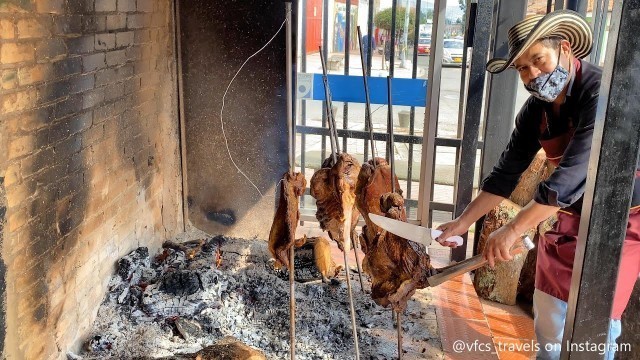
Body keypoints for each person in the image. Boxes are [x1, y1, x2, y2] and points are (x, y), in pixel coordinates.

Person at [434, 10, 640, 360]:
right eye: (521, 68)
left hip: (619, 224)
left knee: (595, 322)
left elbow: (570, 176)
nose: (532, 75)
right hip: (569, 219)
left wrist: (513, 229)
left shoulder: (601, 96)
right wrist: (463, 222)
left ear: (564, 48)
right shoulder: (536, 111)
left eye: (538, 61)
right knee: (550, 314)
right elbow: (504, 174)